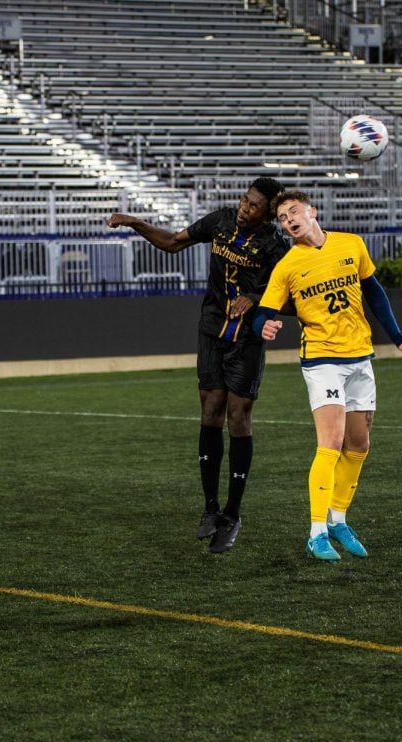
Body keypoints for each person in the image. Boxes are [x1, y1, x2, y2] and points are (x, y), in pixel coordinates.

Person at [108, 178, 290, 554]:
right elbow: (174, 243)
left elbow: (292, 297)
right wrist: (137, 224)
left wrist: (255, 298)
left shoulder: (276, 246)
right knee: (210, 412)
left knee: (238, 417)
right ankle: (209, 509)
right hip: (211, 328)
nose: (245, 207)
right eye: (245, 200)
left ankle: (233, 513)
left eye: (255, 206)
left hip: (246, 338)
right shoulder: (221, 221)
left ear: (269, 212)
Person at [252, 190, 402, 561]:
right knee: (331, 442)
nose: (289, 220)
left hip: (359, 356)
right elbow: (262, 313)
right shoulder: (288, 266)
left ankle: (338, 520)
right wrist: (262, 327)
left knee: (358, 445)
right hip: (322, 360)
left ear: (312, 211)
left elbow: (374, 293)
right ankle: (316, 532)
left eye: (293, 211)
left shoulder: (351, 244)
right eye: (282, 218)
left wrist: (397, 336)